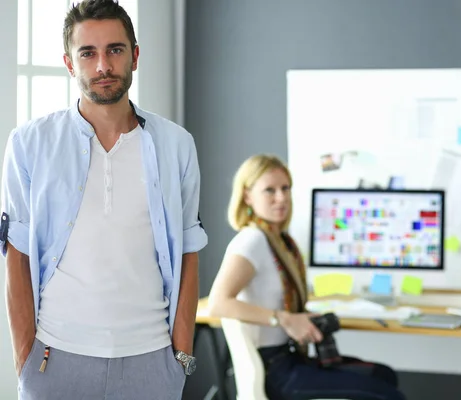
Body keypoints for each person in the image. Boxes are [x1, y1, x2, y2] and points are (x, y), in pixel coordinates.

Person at [1, 1, 207, 399]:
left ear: (135, 54)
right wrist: (26, 359)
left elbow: (188, 250)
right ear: (69, 62)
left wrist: (180, 357)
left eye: (115, 50)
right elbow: (17, 256)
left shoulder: (176, 144)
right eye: (87, 53)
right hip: (55, 359)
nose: (102, 66)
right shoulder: (30, 143)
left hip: (153, 361)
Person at [208, 154, 406, 400]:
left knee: (384, 375)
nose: (281, 198)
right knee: (388, 395)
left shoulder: (282, 243)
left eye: (285, 188)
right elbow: (218, 303)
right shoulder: (252, 240)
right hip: (277, 371)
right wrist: (284, 319)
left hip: (291, 358)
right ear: (247, 195)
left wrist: (300, 318)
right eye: (270, 190)